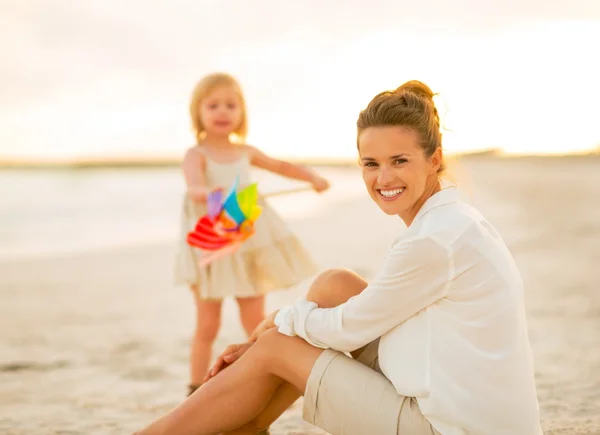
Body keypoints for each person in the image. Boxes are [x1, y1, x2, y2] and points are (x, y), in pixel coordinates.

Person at [138, 80, 543, 435]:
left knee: (277, 347)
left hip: (450, 427)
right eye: (371, 164)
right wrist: (278, 327)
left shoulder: (433, 242)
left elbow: (346, 330)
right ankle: (246, 426)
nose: (383, 179)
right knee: (334, 286)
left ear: (434, 160)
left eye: (399, 161)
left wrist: (272, 325)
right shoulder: (451, 219)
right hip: (453, 393)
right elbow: (356, 313)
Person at [174, 72, 330, 398]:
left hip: (246, 245)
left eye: (230, 105)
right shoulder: (196, 154)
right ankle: (195, 391)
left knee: (254, 321)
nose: (222, 112)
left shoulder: (245, 151)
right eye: (213, 105)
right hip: (213, 247)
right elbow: (194, 187)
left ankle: (259, 381)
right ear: (198, 112)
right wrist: (209, 192)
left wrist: (311, 176)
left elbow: (281, 166)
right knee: (207, 326)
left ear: (241, 112)